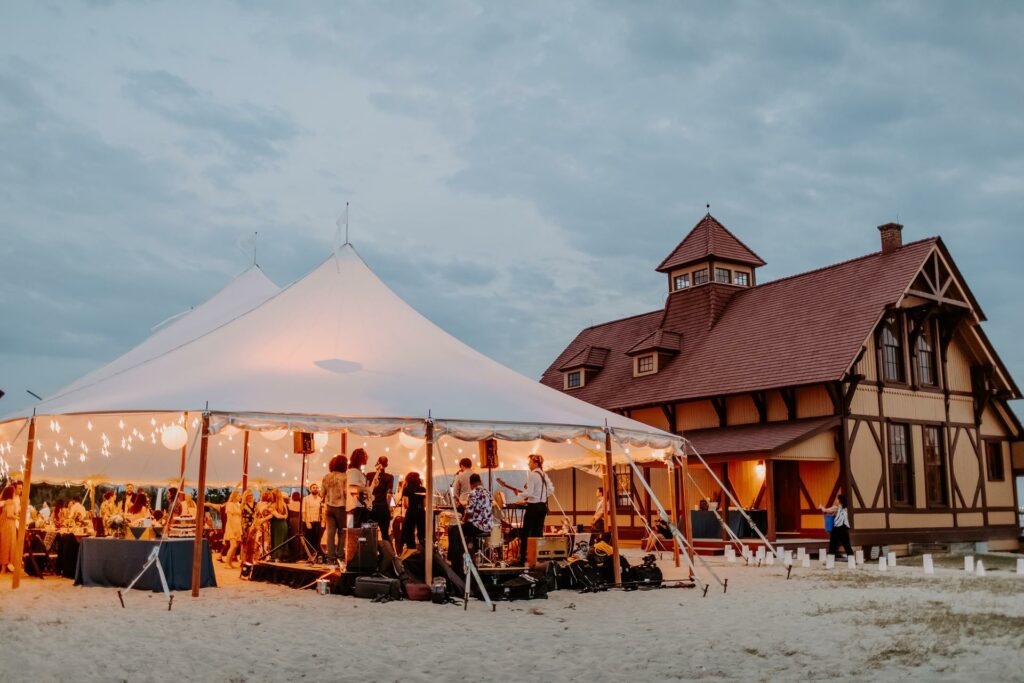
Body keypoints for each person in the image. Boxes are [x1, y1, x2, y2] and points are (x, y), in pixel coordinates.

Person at [519, 453, 554, 565]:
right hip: (542, 507)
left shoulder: (532, 475)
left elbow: (529, 493)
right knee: (538, 533)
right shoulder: (544, 474)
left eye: (529, 462)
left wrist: (520, 494)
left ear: (535, 463)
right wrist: (542, 496)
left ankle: (522, 559)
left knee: (525, 533)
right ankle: (538, 558)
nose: (528, 464)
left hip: (533, 507)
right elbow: (551, 489)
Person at [321, 454, 347, 562]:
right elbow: (346, 493)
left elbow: (322, 493)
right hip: (341, 507)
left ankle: (330, 557)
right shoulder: (345, 477)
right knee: (343, 532)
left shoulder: (326, 476)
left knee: (330, 533)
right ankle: (340, 556)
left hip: (329, 507)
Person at [460, 474, 493, 544]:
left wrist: (463, 520)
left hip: (478, 527)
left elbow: (469, 512)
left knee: (456, 529)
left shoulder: (473, 493)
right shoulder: (488, 493)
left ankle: (463, 552)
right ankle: (474, 548)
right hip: (488, 526)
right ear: (480, 481)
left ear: (471, 484)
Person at [368, 456, 394, 541]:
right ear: (386, 465)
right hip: (383, 508)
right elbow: (389, 495)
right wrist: (391, 509)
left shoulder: (369, 475)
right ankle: (385, 553)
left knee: (370, 534)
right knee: (385, 535)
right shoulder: (390, 477)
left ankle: (371, 553)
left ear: (377, 462)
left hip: (371, 508)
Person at [821, 494, 854, 560]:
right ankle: (851, 559)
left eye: (837, 499)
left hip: (837, 528)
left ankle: (830, 559)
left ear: (840, 500)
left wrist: (821, 507)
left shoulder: (836, 507)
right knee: (846, 544)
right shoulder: (845, 508)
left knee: (833, 544)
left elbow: (825, 510)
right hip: (844, 528)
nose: (836, 500)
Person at [401, 471, 427, 552]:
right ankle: (423, 550)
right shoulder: (423, 489)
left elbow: (405, 504)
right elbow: (425, 504)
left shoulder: (406, 489)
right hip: (421, 512)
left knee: (409, 532)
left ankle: (411, 550)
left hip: (411, 511)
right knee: (422, 532)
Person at [346, 448, 370, 528]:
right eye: (366, 456)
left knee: (361, 534)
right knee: (354, 533)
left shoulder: (357, 471)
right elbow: (352, 488)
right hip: (354, 507)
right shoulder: (353, 471)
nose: (367, 457)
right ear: (361, 457)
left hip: (359, 507)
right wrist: (365, 490)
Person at [0, 485, 18, 572]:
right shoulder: (11, 502)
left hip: (3, 525)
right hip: (9, 525)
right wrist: (18, 517)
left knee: (4, 545)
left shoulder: (4, 502)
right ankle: (7, 566)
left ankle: (3, 568)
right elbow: (10, 515)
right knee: (9, 545)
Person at [302, 483, 323, 555]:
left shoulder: (320, 499)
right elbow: (303, 511)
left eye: (317, 487)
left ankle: (316, 555)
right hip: (309, 522)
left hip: (318, 522)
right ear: (310, 489)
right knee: (308, 540)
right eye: (313, 487)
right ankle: (309, 556)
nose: (315, 489)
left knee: (317, 540)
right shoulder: (306, 498)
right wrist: (307, 522)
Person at [268, 489, 289, 561]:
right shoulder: (284, 504)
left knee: (277, 540)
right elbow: (286, 515)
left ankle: (277, 556)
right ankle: (283, 556)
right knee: (283, 540)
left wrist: (282, 516)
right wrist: (284, 517)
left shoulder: (272, 505)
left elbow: (277, 516)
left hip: (276, 524)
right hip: (283, 524)